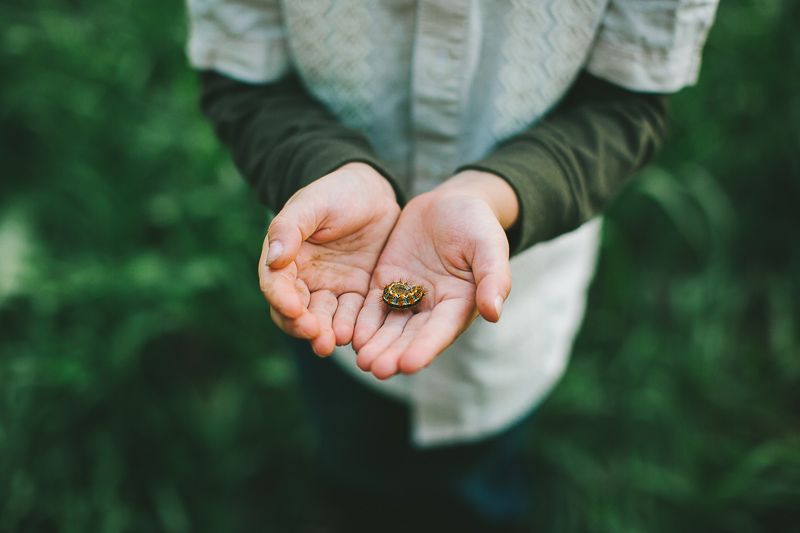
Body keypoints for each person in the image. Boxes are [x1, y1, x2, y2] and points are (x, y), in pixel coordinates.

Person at [186, 1, 719, 530]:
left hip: (511, 332)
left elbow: (627, 105)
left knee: (478, 487)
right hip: (332, 299)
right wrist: (320, 165)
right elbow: (241, 72)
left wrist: (499, 193)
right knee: (354, 456)